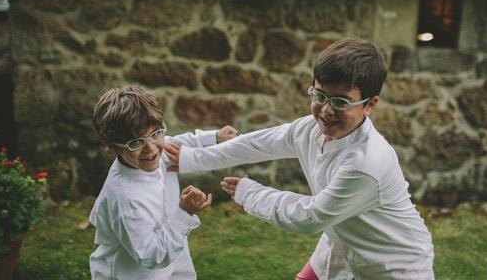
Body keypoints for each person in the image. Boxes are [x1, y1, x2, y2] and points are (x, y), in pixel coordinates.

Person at [168, 37, 434, 280]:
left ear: (370, 105)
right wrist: (194, 158)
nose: (326, 110)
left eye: (341, 101)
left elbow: (311, 218)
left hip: (393, 267)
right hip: (340, 247)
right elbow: (256, 144)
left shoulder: (365, 164)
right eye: (320, 96)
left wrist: (249, 193)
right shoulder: (309, 129)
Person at [89, 85, 238, 280]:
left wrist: (214, 138)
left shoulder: (155, 150)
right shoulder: (126, 199)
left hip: (173, 251)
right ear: (113, 148)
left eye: (155, 134)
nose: (150, 148)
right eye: (135, 142)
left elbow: (179, 142)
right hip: (135, 273)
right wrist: (184, 213)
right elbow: (152, 255)